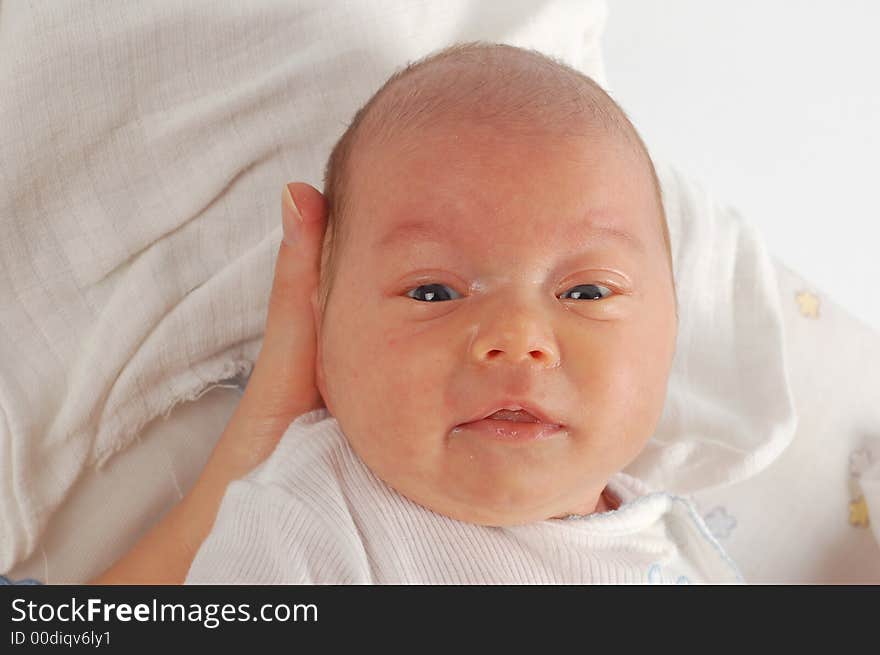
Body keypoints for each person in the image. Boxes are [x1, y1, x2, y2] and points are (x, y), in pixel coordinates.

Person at [100, 42, 740, 584]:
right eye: (434, 292)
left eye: (587, 293)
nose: (517, 338)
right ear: (322, 328)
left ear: (674, 325)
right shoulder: (311, 519)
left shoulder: (678, 544)